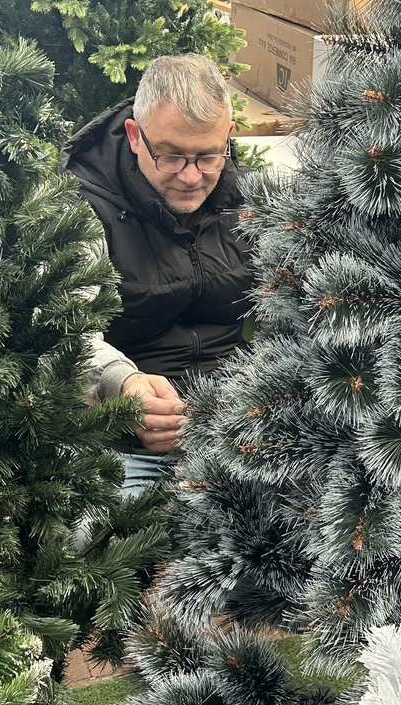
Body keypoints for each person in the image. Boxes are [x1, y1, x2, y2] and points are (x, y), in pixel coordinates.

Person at [59, 53, 253, 493]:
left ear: (228, 136)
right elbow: (65, 334)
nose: (190, 177)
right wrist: (121, 386)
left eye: (208, 156)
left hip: (242, 425)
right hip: (124, 440)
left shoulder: (252, 198)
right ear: (134, 135)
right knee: (99, 540)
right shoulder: (82, 209)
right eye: (170, 156)